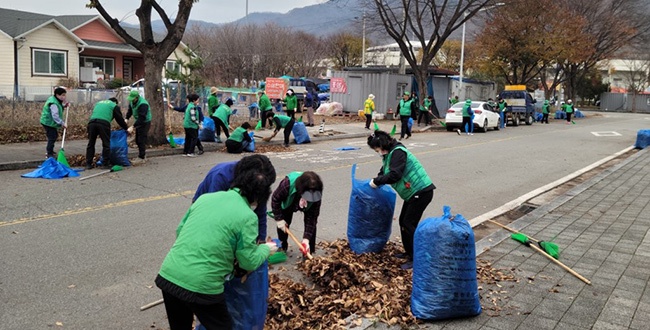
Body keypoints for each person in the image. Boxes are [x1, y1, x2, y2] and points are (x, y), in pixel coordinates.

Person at [155, 159, 278, 329]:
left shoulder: (205, 199)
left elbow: (180, 231)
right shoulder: (247, 216)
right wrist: (265, 248)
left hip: (168, 277)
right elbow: (248, 261)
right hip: (202, 287)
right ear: (261, 195)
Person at [367, 130, 435, 270]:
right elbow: (384, 171)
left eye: (376, 148)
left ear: (382, 144)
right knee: (403, 221)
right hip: (413, 193)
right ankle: (408, 252)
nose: (377, 151)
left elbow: (394, 175)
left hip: (421, 191)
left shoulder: (398, 152)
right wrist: (375, 181)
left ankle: (416, 258)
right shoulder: (389, 155)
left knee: (409, 224)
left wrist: (377, 181)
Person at [193, 154, 277, 243]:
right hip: (207, 208)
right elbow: (214, 215)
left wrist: (261, 241)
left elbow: (260, 214)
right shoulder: (221, 177)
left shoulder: (260, 184)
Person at [271, 171, 323, 256]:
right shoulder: (287, 184)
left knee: (311, 225)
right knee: (284, 223)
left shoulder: (317, 193)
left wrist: (306, 239)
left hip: (307, 206)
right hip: (289, 201)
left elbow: (312, 218)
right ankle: (282, 246)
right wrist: (279, 219)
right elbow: (275, 199)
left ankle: (308, 250)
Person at [85, 97, 129, 169]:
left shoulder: (99, 103)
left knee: (91, 143)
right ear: (115, 102)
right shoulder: (114, 105)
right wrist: (126, 128)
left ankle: (88, 164)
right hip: (103, 124)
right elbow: (119, 119)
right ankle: (105, 163)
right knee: (106, 144)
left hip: (92, 123)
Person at [40, 87, 68, 159]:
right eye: (62, 95)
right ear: (57, 95)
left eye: (64, 95)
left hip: (49, 121)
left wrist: (64, 106)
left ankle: (50, 151)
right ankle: (49, 153)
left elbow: (59, 107)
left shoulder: (55, 100)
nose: (63, 97)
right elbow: (55, 116)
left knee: (53, 136)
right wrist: (62, 123)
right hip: (48, 122)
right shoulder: (53, 103)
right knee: (52, 137)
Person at [125, 90, 151, 164]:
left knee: (141, 140)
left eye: (133, 99)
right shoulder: (132, 102)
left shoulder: (143, 104)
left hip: (145, 122)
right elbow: (130, 111)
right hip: (139, 121)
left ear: (137, 97)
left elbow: (142, 117)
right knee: (137, 140)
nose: (131, 100)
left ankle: (142, 157)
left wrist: (133, 126)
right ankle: (141, 155)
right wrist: (126, 118)